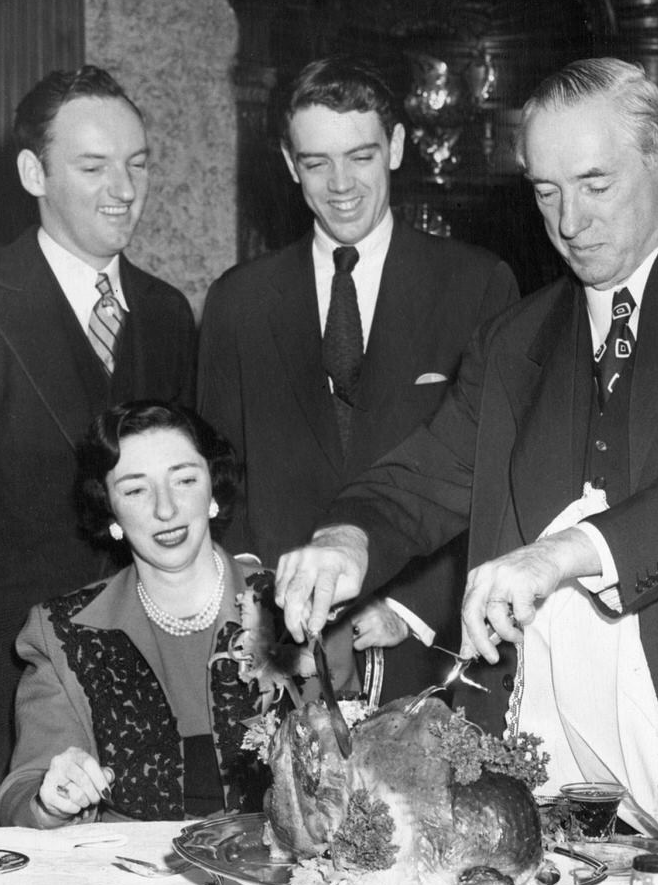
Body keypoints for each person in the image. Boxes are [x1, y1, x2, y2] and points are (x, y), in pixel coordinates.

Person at [274, 57, 658, 869]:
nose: (569, 219)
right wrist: (347, 537)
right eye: (546, 192)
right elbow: (426, 474)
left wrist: (560, 555)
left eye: (595, 183)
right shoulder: (515, 340)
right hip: (557, 776)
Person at [0, 66, 198, 828]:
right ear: (33, 173)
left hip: (133, 699)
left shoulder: (166, 313)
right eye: (93, 167)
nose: (123, 188)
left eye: (137, 163)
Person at [198, 57, 519, 704]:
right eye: (317, 162)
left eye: (361, 156)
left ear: (397, 148)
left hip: (428, 653)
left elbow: (496, 477)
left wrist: (410, 607)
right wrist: (259, 604)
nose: (340, 183)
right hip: (281, 656)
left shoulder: (479, 284)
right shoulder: (237, 301)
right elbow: (217, 482)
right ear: (290, 163)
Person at [0, 401, 288, 826]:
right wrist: (52, 800)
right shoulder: (62, 631)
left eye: (184, 480)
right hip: (124, 880)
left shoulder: (291, 605)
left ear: (212, 488)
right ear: (111, 510)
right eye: (136, 490)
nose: (166, 509)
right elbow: (21, 794)